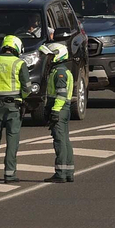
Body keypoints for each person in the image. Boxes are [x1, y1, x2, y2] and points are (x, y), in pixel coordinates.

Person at [0, 35, 30, 183]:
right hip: (13, 107)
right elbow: (27, 88)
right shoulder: (19, 63)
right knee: (12, 140)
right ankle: (9, 174)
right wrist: (22, 97)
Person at [41, 42, 76, 184]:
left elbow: (61, 95)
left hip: (60, 109)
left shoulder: (59, 73)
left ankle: (61, 173)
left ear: (57, 56)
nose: (47, 59)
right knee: (65, 140)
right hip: (63, 109)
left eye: (49, 56)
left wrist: (54, 111)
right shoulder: (60, 71)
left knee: (60, 141)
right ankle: (68, 172)